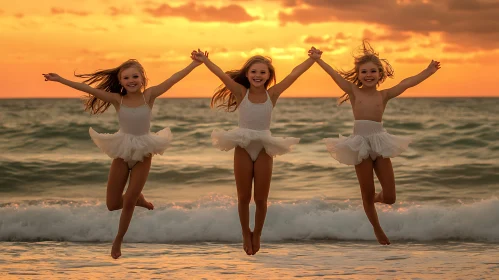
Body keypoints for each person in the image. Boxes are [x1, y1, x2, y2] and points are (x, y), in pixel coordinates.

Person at [42, 55, 203, 258]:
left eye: (135, 76)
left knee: (127, 202)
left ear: (142, 78)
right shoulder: (118, 100)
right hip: (122, 150)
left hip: (144, 151)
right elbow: (88, 89)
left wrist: (195, 64)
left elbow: (173, 78)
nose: (131, 80)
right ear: (121, 81)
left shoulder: (149, 96)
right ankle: (139, 200)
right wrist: (60, 79)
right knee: (112, 205)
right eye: (126, 78)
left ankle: (118, 241)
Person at [192, 47, 321, 255]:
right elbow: (221, 75)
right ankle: (245, 233)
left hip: (263, 147)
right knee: (243, 197)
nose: (258, 76)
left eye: (263, 72)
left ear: (269, 76)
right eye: (254, 72)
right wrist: (205, 61)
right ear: (247, 74)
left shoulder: (273, 94)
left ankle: (257, 233)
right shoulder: (241, 93)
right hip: (243, 146)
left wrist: (312, 60)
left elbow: (294, 75)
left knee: (260, 199)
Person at [316, 41, 441, 245]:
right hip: (359, 144)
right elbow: (334, 75)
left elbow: (407, 83)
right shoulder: (353, 91)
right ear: (358, 74)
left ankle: (374, 199)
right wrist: (318, 59)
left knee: (390, 197)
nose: (368, 75)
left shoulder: (384, 95)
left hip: (380, 142)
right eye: (364, 71)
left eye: (373, 71)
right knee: (366, 192)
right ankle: (378, 229)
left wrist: (428, 71)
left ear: (380, 73)